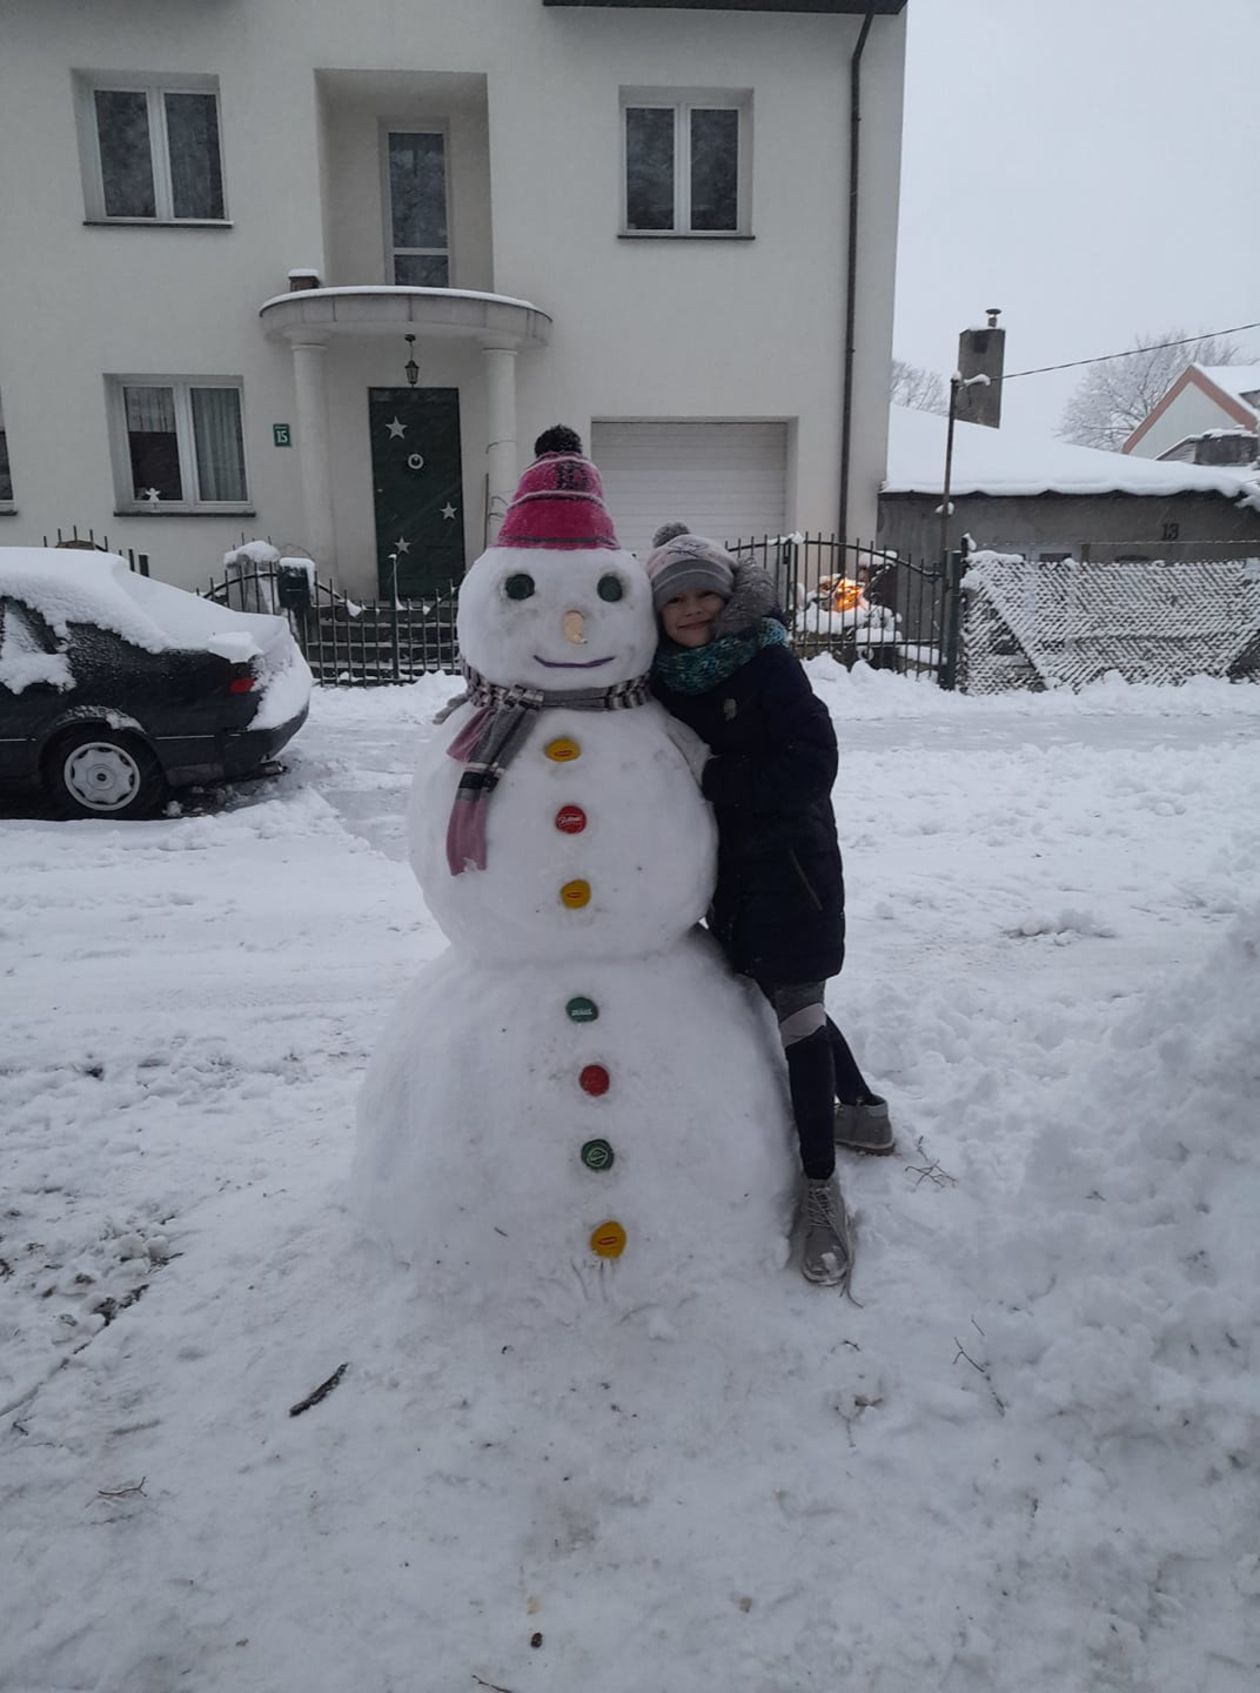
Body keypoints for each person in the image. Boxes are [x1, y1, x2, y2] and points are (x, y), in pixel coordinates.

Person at [645, 524, 891, 1290]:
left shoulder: (768, 662)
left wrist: (715, 772)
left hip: (791, 871)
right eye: (675, 597)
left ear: (729, 598)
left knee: (797, 1016)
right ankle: (865, 1111)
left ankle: (821, 1189)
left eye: (704, 594)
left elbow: (814, 765)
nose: (691, 609)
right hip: (730, 880)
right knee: (790, 998)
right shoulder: (665, 675)